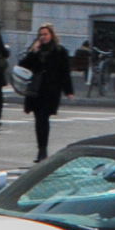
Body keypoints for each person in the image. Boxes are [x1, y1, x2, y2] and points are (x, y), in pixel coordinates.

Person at [18, 24, 73, 163]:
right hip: (36, 91)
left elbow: (65, 73)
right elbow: (23, 66)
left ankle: (43, 149)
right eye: (41, 34)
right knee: (39, 120)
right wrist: (33, 51)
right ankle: (41, 150)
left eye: (45, 34)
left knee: (44, 119)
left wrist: (69, 91)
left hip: (51, 91)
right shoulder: (35, 51)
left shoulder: (60, 51)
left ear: (51, 35)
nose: (43, 37)